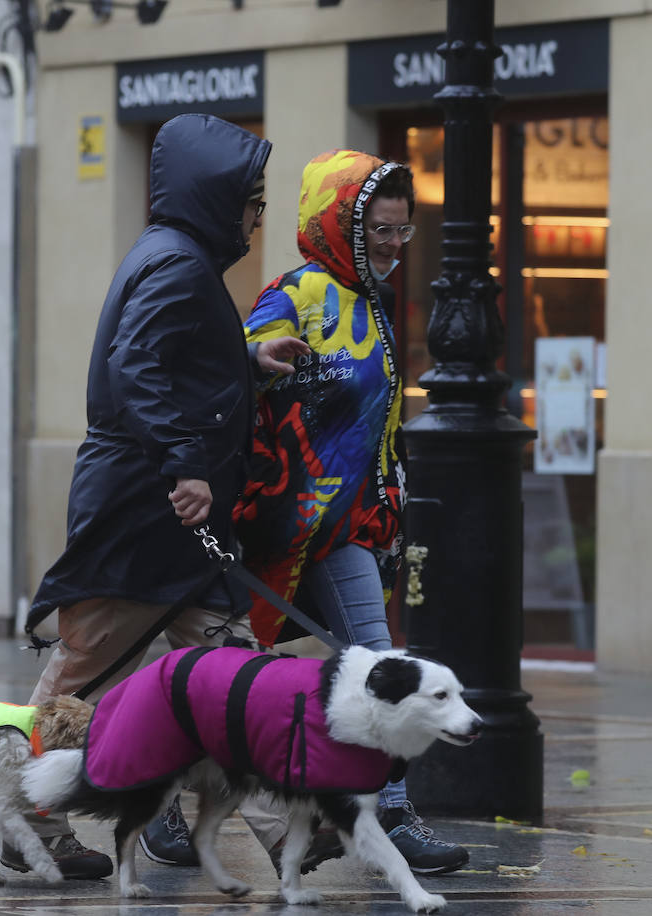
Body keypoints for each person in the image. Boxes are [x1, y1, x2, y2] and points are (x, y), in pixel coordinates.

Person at [9, 113, 309, 879]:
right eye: (252, 200)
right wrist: (184, 464)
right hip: (147, 517)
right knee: (83, 679)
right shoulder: (177, 264)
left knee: (232, 674)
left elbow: (168, 362)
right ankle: (25, 821)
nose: (258, 216)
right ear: (214, 196)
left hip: (170, 521)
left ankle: (289, 831)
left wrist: (246, 360)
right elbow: (136, 366)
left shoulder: (174, 256)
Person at [232, 149, 469, 876]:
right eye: (380, 232)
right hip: (274, 527)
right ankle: (170, 811)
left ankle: (392, 814)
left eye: (403, 231)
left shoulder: (372, 301)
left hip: (343, 532)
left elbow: (377, 428)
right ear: (336, 225)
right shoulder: (296, 291)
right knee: (227, 670)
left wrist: (388, 509)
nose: (395, 246)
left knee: (379, 660)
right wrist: (258, 359)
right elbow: (234, 363)